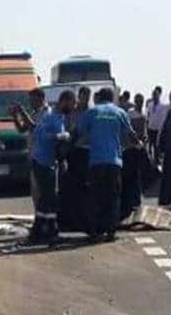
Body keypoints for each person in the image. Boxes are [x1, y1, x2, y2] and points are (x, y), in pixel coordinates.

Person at [11, 90, 76, 243]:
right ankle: (48, 232)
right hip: (42, 161)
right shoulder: (50, 116)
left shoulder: (58, 116)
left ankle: (41, 232)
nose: (73, 107)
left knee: (47, 199)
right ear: (64, 101)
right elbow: (41, 135)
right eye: (72, 103)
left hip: (48, 161)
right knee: (49, 198)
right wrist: (61, 136)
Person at [79, 88, 139, 241]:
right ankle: (111, 231)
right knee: (113, 197)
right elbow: (131, 134)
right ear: (112, 98)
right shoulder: (119, 112)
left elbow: (78, 132)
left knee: (95, 197)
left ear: (99, 98)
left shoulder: (91, 112)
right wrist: (139, 144)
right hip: (114, 162)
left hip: (96, 161)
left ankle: (95, 231)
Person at [61, 86, 92, 231]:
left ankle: (85, 220)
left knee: (86, 188)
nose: (85, 99)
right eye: (83, 96)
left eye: (87, 96)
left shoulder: (91, 112)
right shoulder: (72, 113)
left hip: (88, 151)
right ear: (79, 97)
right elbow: (66, 130)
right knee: (73, 187)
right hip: (74, 151)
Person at [121, 94, 148, 219]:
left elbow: (144, 130)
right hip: (130, 148)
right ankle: (131, 201)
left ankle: (136, 200)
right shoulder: (130, 114)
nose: (140, 103)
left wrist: (144, 140)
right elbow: (129, 131)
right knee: (131, 175)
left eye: (141, 101)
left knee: (138, 175)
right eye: (138, 101)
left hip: (139, 148)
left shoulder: (143, 113)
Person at [146, 86, 169, 165]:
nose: (154, 96)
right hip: (150, 128)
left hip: (158, 129)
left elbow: (163, 118)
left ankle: (157, 161)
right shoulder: (150, 104)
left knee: (157, 146)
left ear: (159, 95)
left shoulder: (163, 106)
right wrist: (147, 126)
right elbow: (148, 116)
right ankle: (150, 162)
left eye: (156, 94)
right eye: (153, 94)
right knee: (150, 145)